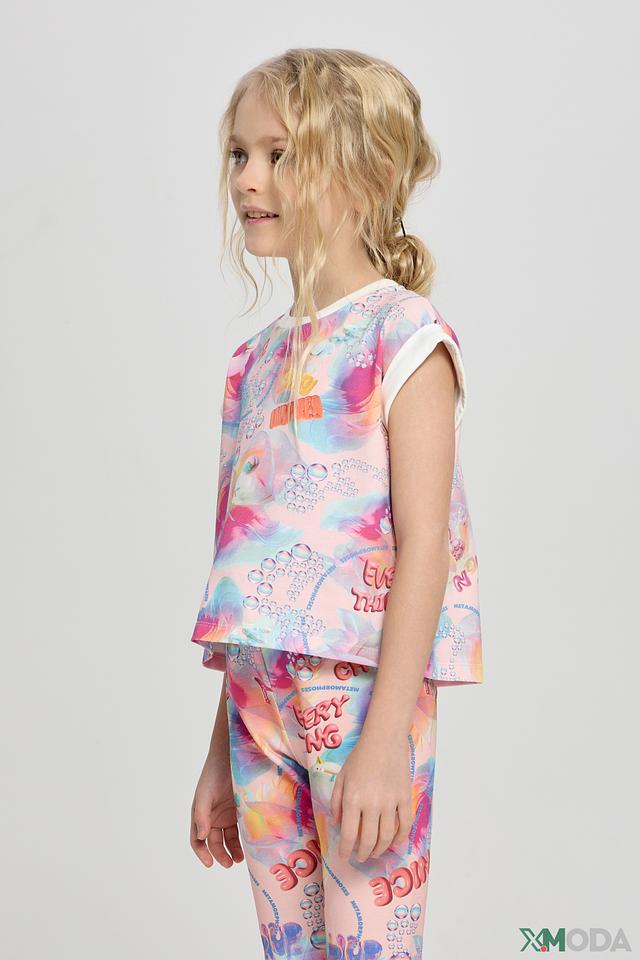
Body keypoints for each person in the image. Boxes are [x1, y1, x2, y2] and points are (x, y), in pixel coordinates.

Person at [188, 47, 484, 960]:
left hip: (360, 702)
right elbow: (252, 579)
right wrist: (218, 753)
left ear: (365, 172)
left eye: (279, 155)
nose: (249, 179)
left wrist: (387, 738)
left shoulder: (405, 336)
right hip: (258, 705)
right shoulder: (255, 363)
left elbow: (425, 548)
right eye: (240, 155)